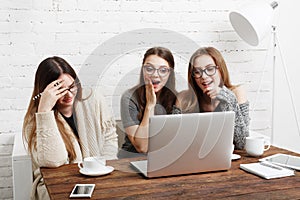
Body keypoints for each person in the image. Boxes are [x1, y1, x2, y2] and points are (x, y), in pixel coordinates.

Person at [22, 56, 118, 200]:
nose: (68, 94)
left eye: (72, 86)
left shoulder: (94, 100)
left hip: (99, 176)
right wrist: (44, 112)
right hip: (58, 184)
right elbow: (53, 162)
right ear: (46, 91)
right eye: (60, 90)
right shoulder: (35, 120)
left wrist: (101, 169)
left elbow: (110, 138)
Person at [175, 47, 250, 149]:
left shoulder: (236, 93)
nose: (204, 76)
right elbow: (174, 141)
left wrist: (227, 97)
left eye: (210, 69)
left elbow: (242, 143)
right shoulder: (183, 99)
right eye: (197, 72)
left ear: (220, 70)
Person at [119, 47, 177, 157]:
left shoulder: (178, 99)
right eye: (149, 69)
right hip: (133, 159)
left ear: (170, 73)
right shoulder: (129, 97)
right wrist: (150, 106)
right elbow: (142, 147)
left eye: (163, 70)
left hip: (164, 158)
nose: (155, 75)